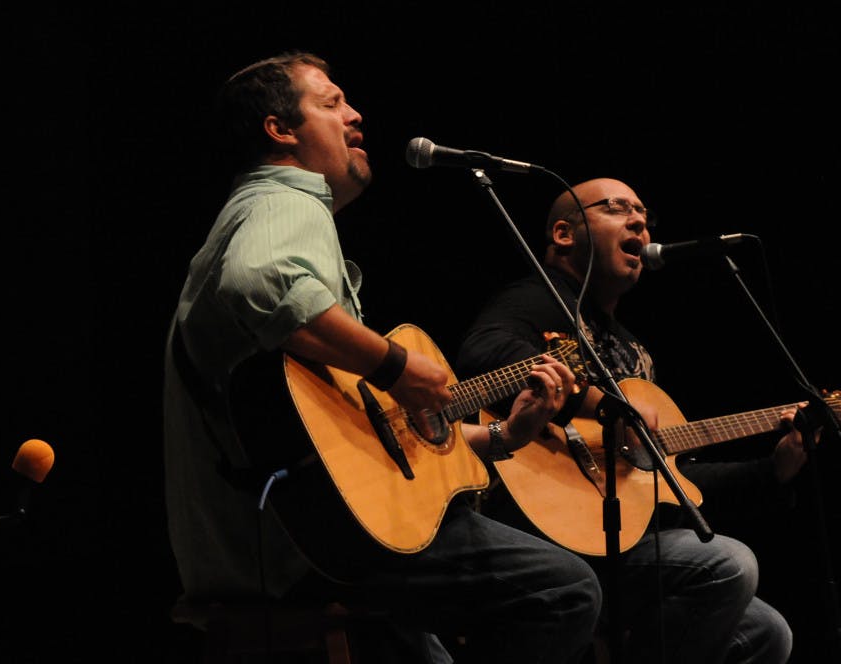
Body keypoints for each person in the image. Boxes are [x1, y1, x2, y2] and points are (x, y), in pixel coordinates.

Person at [162, 51, 603, 663]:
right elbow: (258, 281)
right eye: (331, 102)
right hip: (300, 545)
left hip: (293, 536)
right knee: (565, 590)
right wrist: (396, 366)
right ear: (280, 130)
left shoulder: (263, 214)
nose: (354, 114)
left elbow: (368, 442)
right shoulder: (286, 201)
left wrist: (505, 434)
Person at [455, 177, 801, 663]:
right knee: (729, 563)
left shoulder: (636, 351)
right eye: (617, 208)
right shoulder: (536, 298)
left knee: (768, 633)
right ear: (563, 235)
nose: (639, 219)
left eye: (643, 213)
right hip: (547, 532)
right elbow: (485, 354)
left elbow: (666, 478)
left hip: (624, 543)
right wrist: (602, 402)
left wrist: (774, 470)